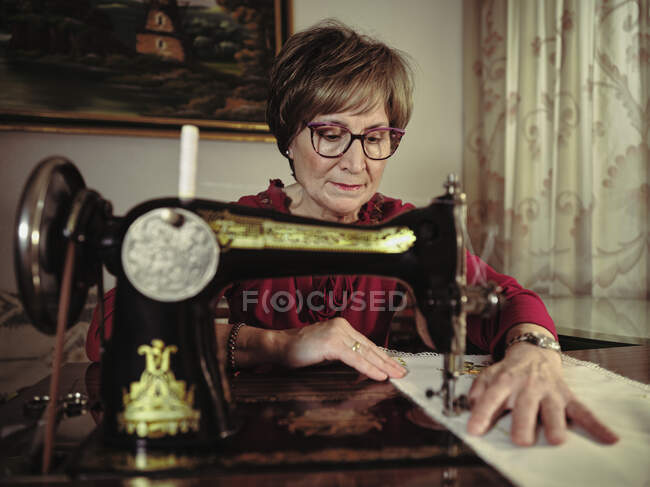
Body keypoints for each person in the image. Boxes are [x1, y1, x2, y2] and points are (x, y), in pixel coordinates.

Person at [87, 21, 617, 447]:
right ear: (288, 138)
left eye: (376, 137)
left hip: (366, 431)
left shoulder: (404, 228)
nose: (356, 163)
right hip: (254, 441)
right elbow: (113, 327)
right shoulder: (240, 223)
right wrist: (277, 345)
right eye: (330, 134)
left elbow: (507, 299)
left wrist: (534, 350)